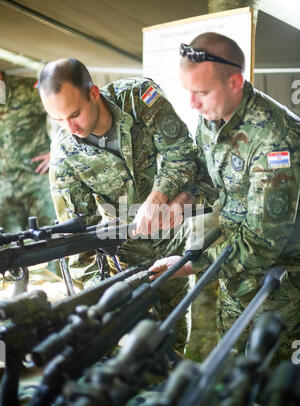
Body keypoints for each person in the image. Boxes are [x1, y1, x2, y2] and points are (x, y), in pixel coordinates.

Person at [150, 32, 300, 363]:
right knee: (229, 366)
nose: (192, 104)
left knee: (269, 380)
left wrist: (190, 265)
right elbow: (210, 173)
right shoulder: (212, 117)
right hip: (235, 268)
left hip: (279, 286)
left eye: (201, 93)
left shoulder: (276, 140)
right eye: (188, 92)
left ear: (235, 82)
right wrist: (185, 197)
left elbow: (262, 243)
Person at [37, 58, 198, 353]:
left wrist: (159, 196)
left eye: (75, 114)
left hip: (170, 242)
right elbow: (75, 240)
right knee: (129, 356)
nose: (70, 128)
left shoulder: (140, 99)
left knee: (173, 335)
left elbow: (183, 152)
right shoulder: (64, 157)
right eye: (58, 119)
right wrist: (99, 298)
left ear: (94, 93)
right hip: (122, 261)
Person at [0, 72, 55, 233]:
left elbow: (68, 110)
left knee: (53, 236)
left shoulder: (30, 90)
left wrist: (56, 152)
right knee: (10, 247)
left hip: (37, 181)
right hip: (4, 190)